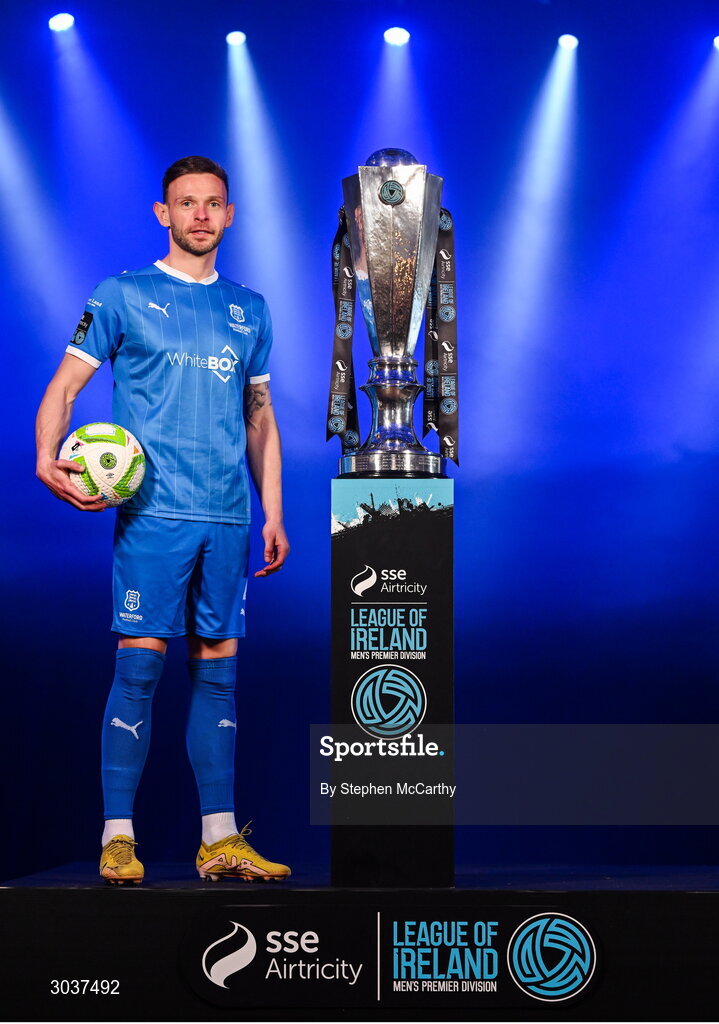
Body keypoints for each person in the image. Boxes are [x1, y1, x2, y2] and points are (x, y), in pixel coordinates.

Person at [35, 155, 291, 885]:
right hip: (153, 514)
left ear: (230, 214)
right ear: (163, 213)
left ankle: (219, 840)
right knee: (140, 665)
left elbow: (260, 419)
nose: (201, 215)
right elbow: (65, 385)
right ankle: (118, 835)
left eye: (213, 203)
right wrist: (45, 454)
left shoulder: (250, 308)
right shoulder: (122, 293)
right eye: (186, 203)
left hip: (228, 518)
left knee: (219, 676)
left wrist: (272, 507)